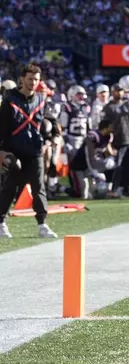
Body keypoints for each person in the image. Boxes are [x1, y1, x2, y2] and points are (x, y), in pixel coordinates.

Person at [0, 63, 58, 239]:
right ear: (22, 79)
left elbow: (52, 124)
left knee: (39, 187)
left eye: (36, 79)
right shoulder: (9, 100)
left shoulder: (41, 100)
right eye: (30, 79)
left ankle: (42, 224)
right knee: (10, 187)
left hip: (35, 151)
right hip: (14, 152)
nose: (33, 82)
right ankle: (1, 223)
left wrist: (53, 139)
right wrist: (1, 151)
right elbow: (2, 128)